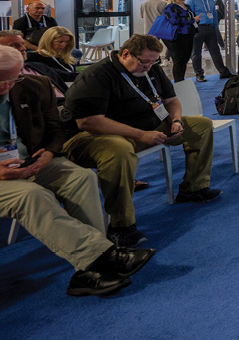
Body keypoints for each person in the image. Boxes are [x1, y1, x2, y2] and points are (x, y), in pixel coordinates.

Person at [0, 45, 157, 297]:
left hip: (34, 160)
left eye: (13, 78)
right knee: (31, 196)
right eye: (0, 80)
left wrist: (49, 153)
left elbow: (55, 130)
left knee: (83, 178)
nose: (6, 86)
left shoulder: (35, 86)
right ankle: (102, 257)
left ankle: (89, 270)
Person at [62, 34, 221, 247]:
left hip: (146, 127)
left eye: (153, 61)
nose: (148, 66)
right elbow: (89, 122)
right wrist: (140, 135)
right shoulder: (97, 76)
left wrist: (175, 121)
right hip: (95, 137)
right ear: (125, 54)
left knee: (201, 127)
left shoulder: (151, 69)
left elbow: (171, 100)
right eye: (144, 61)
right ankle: (121, 226)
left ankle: (194, 187)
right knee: (119, 151)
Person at [187, 0, 232, 82]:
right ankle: (199, 74)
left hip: (210, 27)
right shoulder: (191, 0)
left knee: (215, 51)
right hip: (198, 28)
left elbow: (214, 13)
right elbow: (189, 15)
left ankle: (223, 72)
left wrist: (215, 26)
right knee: (196, 52)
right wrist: (193, 28)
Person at [26, 26, 79, 93]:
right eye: (60, 42)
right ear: (49, 41)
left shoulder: (67, 59)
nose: (64, 45)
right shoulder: (33, 57)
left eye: (67, 42)